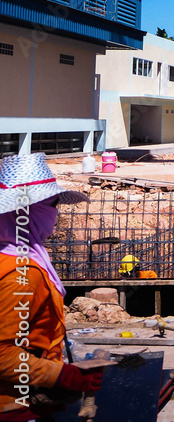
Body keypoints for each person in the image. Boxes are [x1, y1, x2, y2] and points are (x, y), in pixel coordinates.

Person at [0, 153, 103, 421]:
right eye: (53, 204)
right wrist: (62, 376)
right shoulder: (22, 273)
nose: (56, 213)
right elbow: (3, 354)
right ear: (30, 211)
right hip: (15, 407)